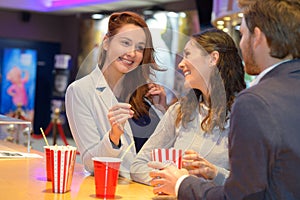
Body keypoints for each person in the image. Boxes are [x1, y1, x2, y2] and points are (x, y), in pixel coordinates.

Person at [148, 0, 300, 199]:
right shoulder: (180, 110)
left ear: (258, 38)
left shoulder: (253, 102)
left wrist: (182, 183)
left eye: (242, 33)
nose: (241, 44)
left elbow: (242, 195)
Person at [130, 28, 245, 185]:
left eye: (188, 55)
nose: (181, 64)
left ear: (213, 58)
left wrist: (214, 174)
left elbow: (251, 185)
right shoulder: (178, 111)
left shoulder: (244, 113)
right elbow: (138, 166)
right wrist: (172, 181)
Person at [65, 11, 167, 179]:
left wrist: (162, 109)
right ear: (106, 42)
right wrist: (114, 137)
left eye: (140, 48)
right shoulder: (80, 91)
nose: (132, 53)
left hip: (155, 188)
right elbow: (90, 164)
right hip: (122, 191)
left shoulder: (144, 92)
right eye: (125, 43)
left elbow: (161, 147)